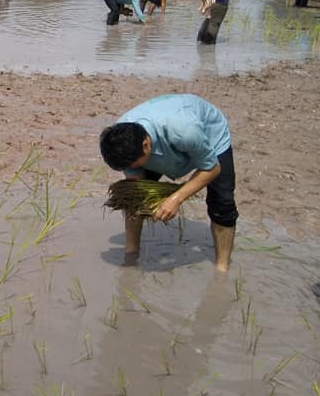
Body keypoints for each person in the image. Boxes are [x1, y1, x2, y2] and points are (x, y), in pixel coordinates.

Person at [99, 94, 238, 272]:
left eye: (133, 166)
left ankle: (221, 269)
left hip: (210, 139)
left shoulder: (184, 130)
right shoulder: (118, 139)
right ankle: (131, 254)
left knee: (222, 204)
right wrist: (145, 200)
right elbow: (136, 180)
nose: (130, 169)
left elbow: (212, 168)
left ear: (146, 145)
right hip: (162, 144)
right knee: (133, 198)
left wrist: (175, 199)